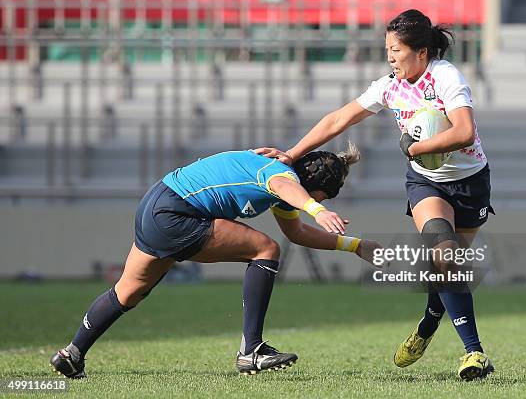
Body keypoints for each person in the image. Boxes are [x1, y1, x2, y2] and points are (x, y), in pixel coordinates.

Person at [256, 9, 494, 380]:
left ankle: (429, 321)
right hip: (426, 183)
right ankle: (474, 353)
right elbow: (339, 119)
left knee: (449, 266)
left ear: (421, 52)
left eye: (396, 49)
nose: (390, 57)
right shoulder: (389, 86)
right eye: (387, 49)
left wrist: (417, 147)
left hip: (471, 182)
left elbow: (464, 131)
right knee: (443, 252)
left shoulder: (446, 77)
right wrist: (291, 154)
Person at [50, 145, 382, 378]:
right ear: (317, 186)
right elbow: (288, 188)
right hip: (175, 211)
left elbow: (295, 232)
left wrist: (353, 246)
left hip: (156, 203)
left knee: (129, 291)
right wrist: (318, 210)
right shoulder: (283, 177)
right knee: (265, 249)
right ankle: (251, 349)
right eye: (327, 194)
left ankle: (72, 354)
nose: (322, 200)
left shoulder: (278, 180)